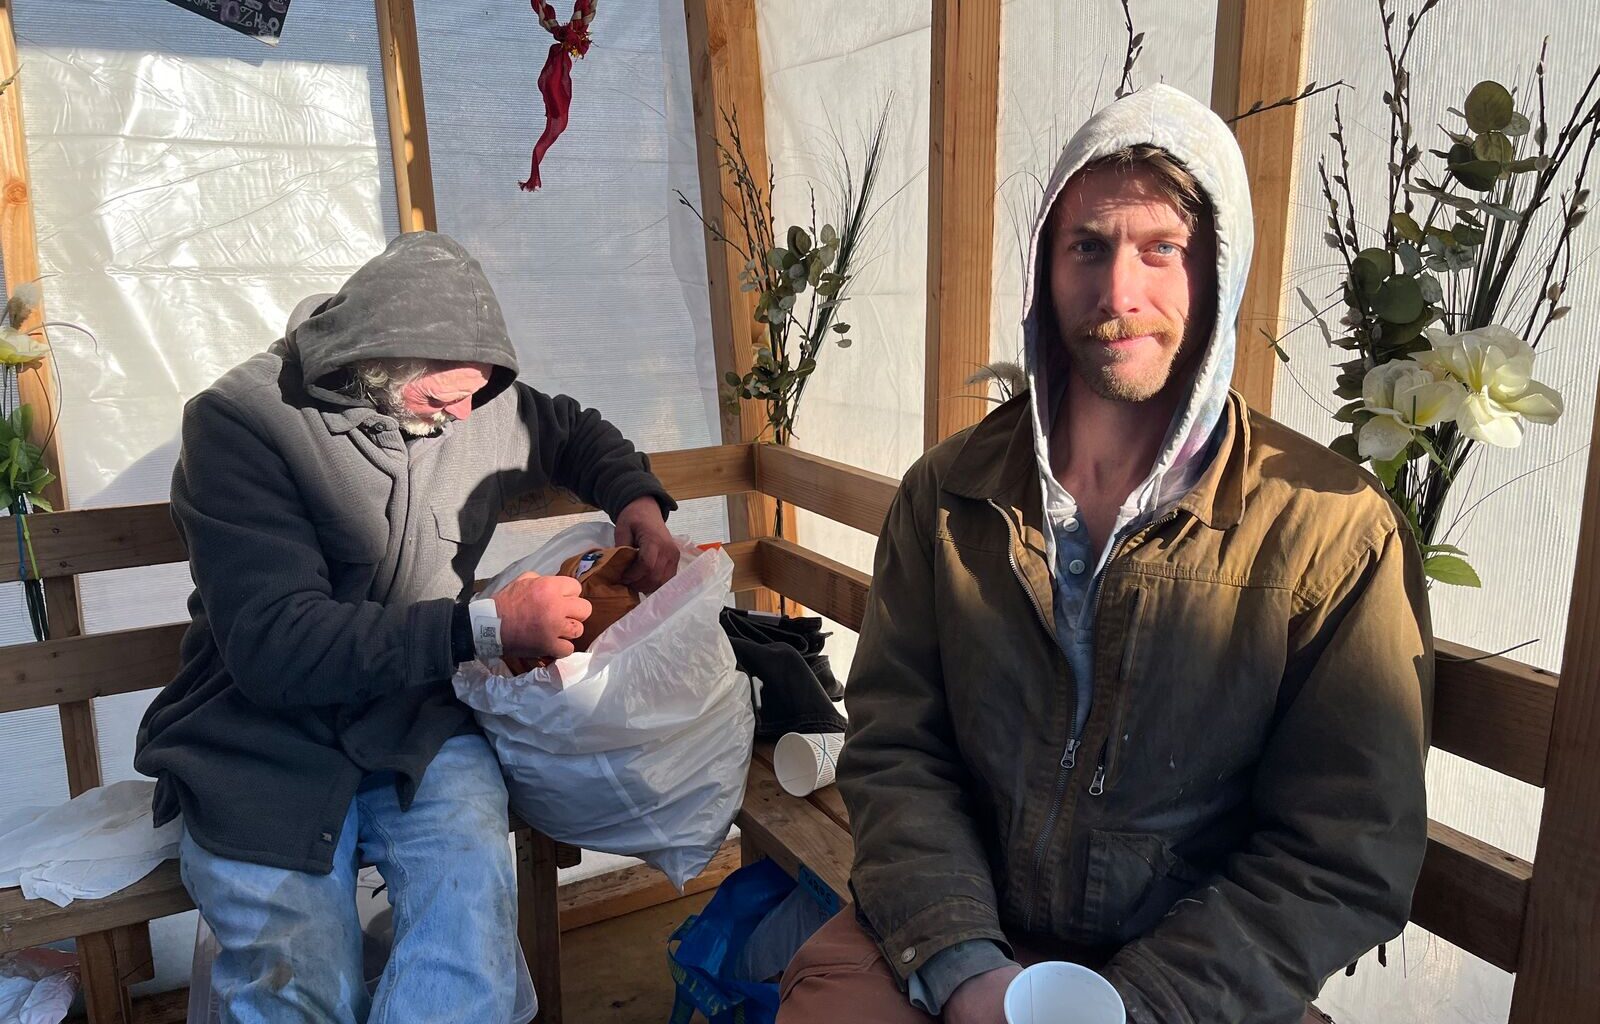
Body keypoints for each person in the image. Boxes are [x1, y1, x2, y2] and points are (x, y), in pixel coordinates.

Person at [777, 85, 1433, 1024]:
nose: (1120, 293)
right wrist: (963, 965)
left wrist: (1141, 1004)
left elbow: (1341, 852)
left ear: (1220, 271)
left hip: (1191, 979)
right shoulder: (951, 494)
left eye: (1162, 249)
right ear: (1044, 269)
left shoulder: (1332, 534)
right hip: (959, 925)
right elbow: (894, 746)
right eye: (1088, 245)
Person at [135, 231, 681, 1023]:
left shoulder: (472, 403)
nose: (463, 417)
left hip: (415, 726)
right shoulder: (241, 422)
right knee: (297, 983)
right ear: (376, 358)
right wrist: (486, 628)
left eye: (475, 395)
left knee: (469, 947)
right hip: (258, 742)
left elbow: (571, 431)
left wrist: (638, 501)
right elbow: (277, 645)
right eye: (443, 399)